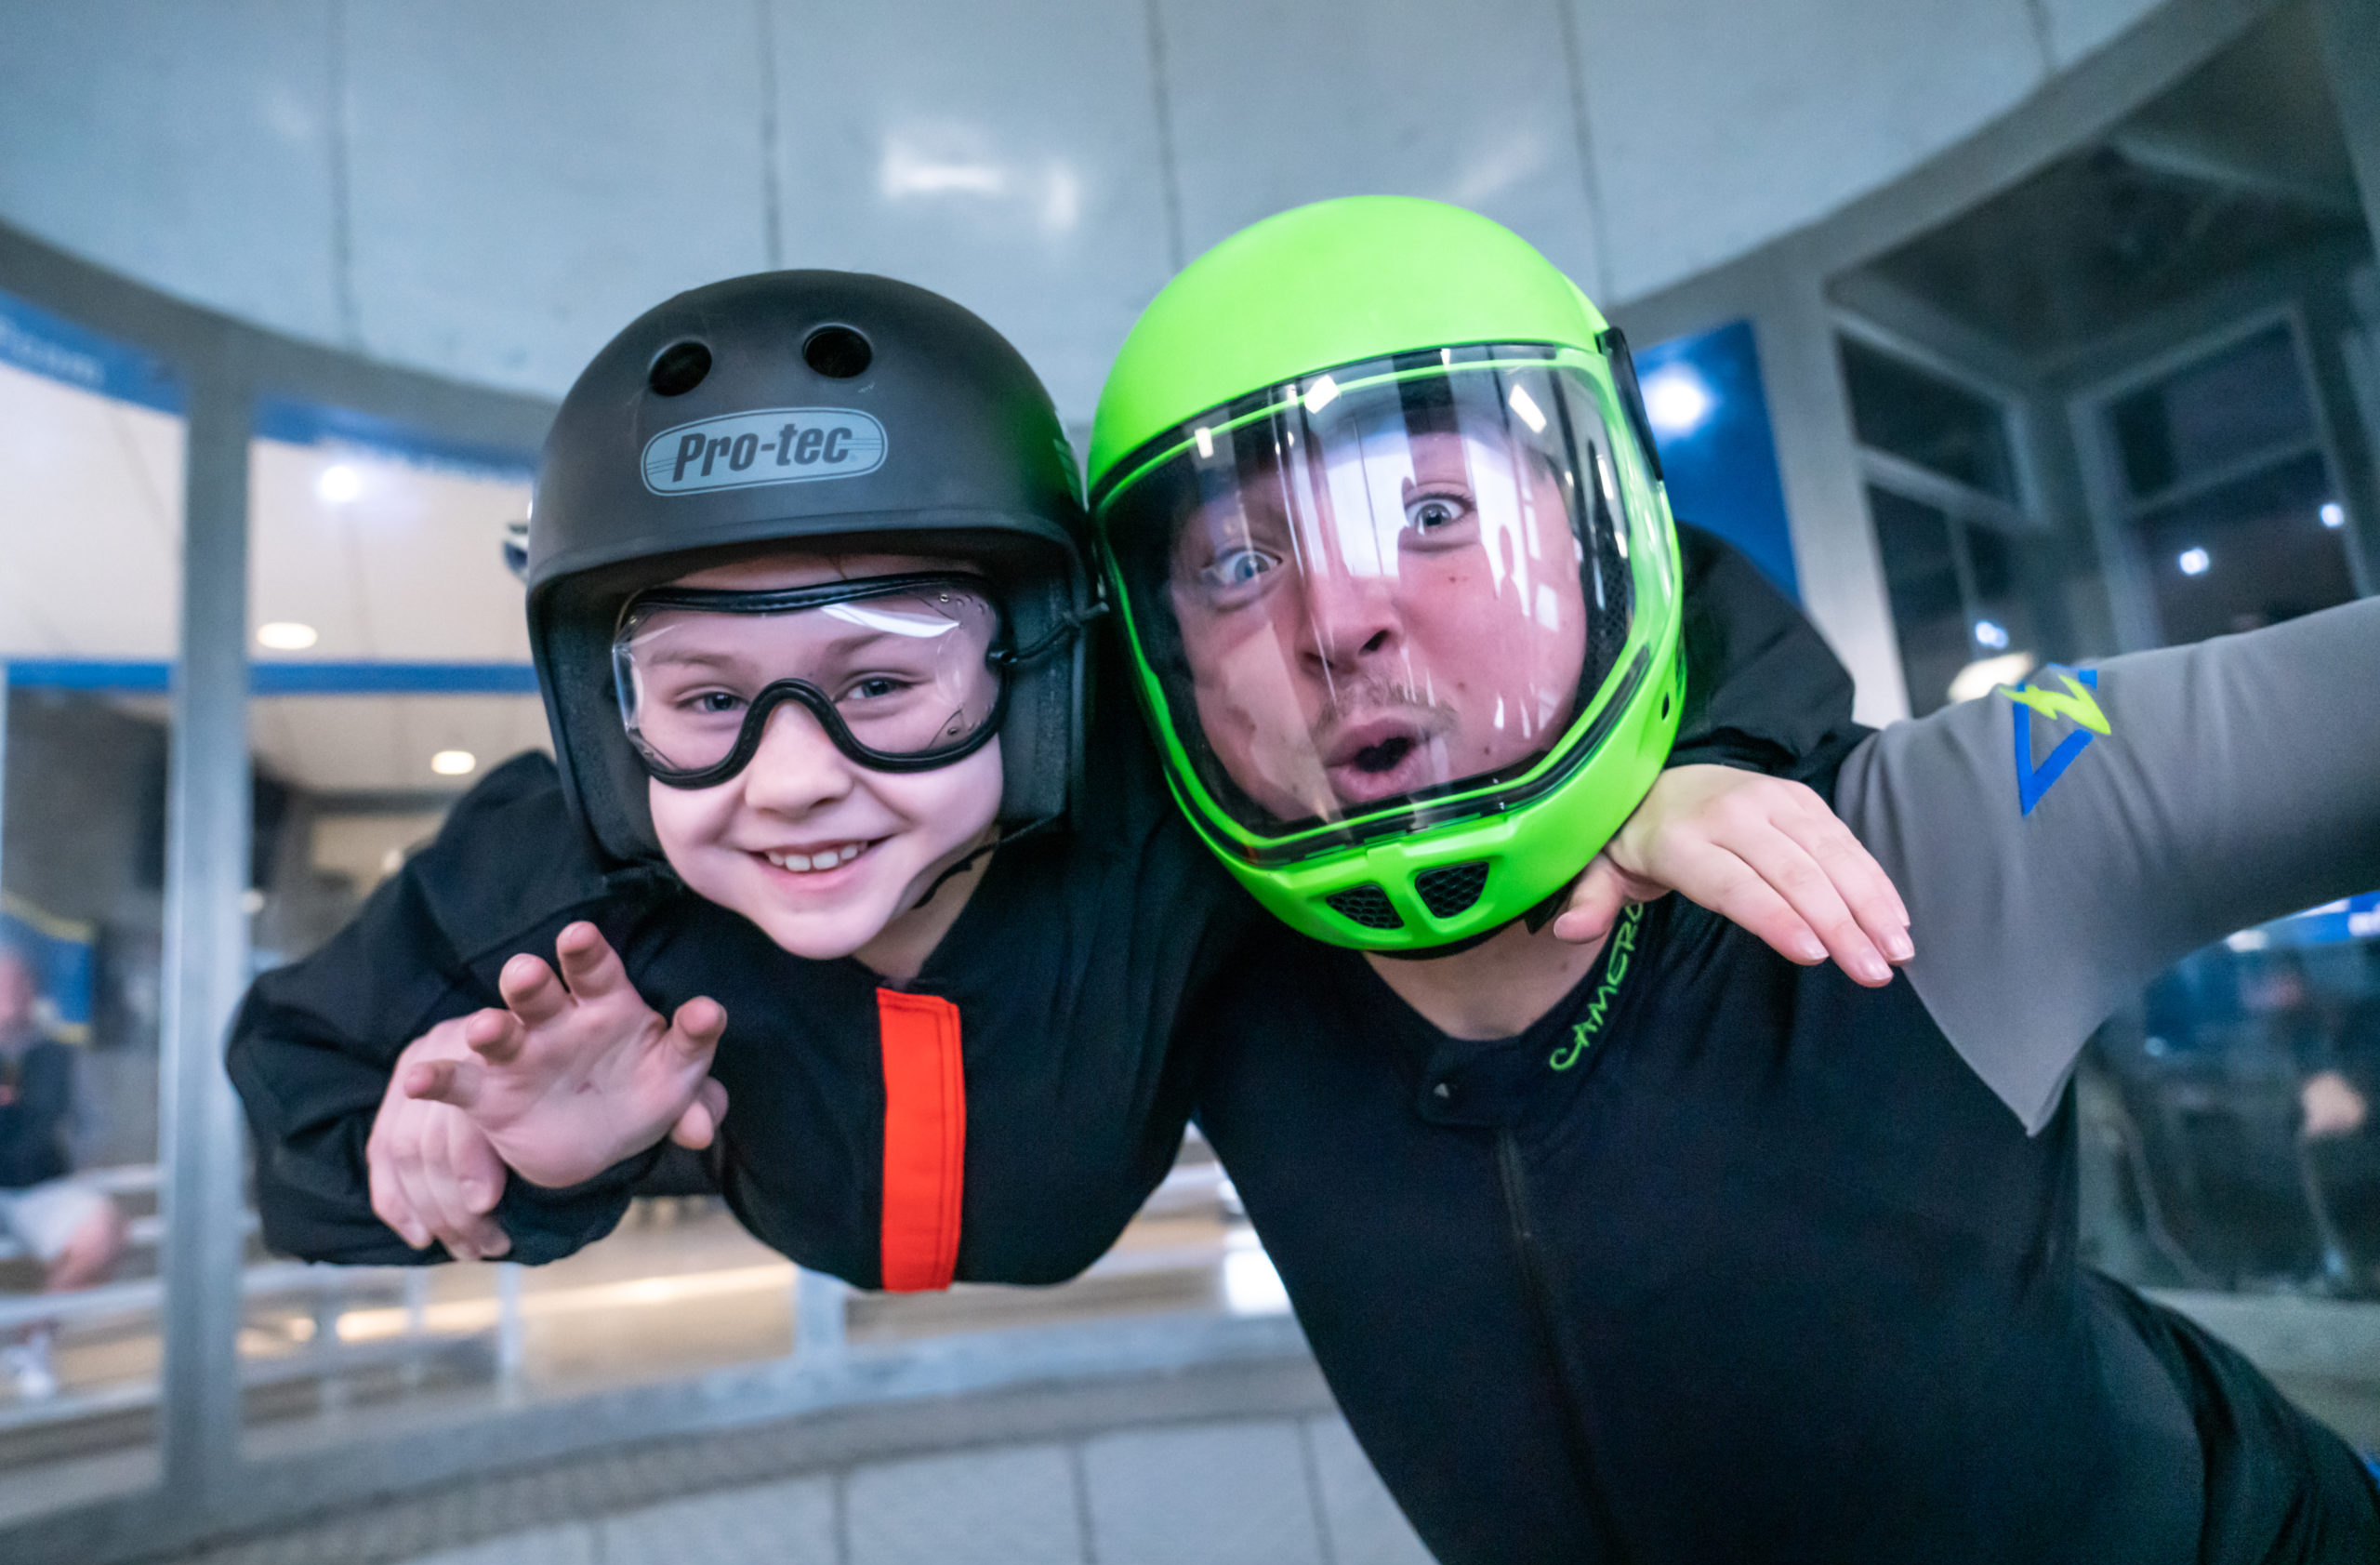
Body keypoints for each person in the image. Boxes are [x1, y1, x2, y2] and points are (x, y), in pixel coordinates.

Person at [1080, 195, 2380, 1565]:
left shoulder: (1911, 836)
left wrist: (1722, 740)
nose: (1335, 621)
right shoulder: (1209, 985)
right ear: (1178, 665)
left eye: (1436, 510)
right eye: (1238, 561)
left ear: (1593, 534)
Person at [229, 270, 1900, 1293]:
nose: (791, 779)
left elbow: (1640, 583)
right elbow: (293, 1096)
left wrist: (1685, 770)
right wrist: (501, 1177)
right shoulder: (561, 889)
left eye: (884, 683)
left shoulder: (1169, 766)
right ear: (603, 721)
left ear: (1044, 657)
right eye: (704, 703)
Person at [0, 946, 125, 1399]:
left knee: (103, 1231)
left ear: (30, 991)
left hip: (38, 1188)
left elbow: (90, 1126)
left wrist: (76, 1174)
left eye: (15, 983)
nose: (7, 994)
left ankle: (31, 1342)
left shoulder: (59, 1056)